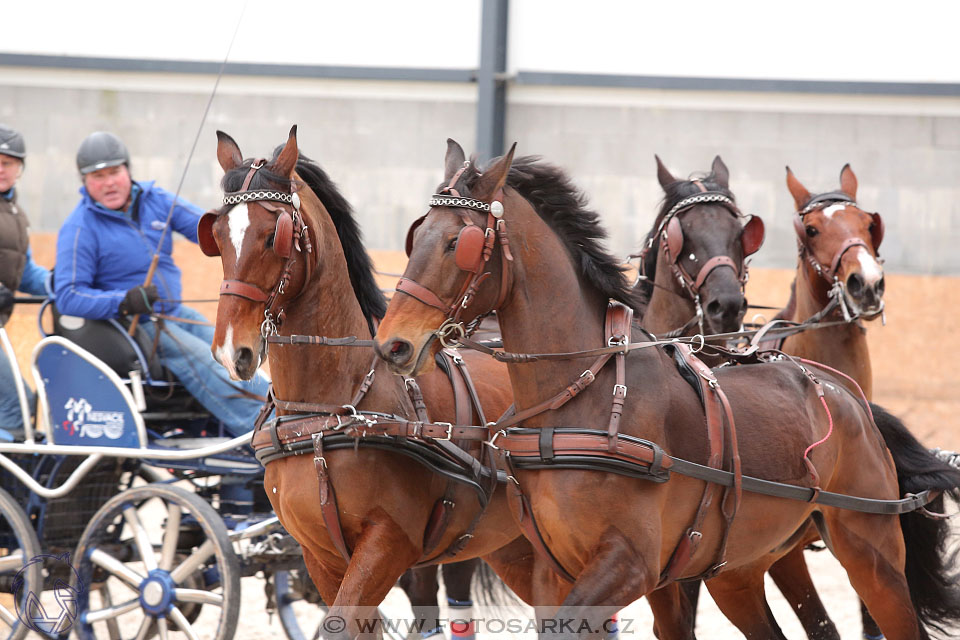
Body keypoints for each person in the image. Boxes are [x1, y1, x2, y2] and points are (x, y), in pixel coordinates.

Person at [54, 131, 270, 436]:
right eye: (97, 176)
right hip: (133, 327)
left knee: (230, 349)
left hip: (173, 314)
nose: (109, 182)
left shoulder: (157, 201)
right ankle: (262, 433)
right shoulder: (79, 228)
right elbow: (67, 296)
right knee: (204, 361)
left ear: (128, 170)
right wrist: (123, 301)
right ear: (84, 182)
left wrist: (247, 226)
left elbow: (208, 230)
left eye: (115, 172)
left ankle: (277, 409)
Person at [0, 124, 51, 440]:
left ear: (20, 168)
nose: (1, 169)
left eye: (8, 162)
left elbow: (27, 273)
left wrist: (68, 285)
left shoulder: (15, 212)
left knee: (25, 401)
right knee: (14, 405)